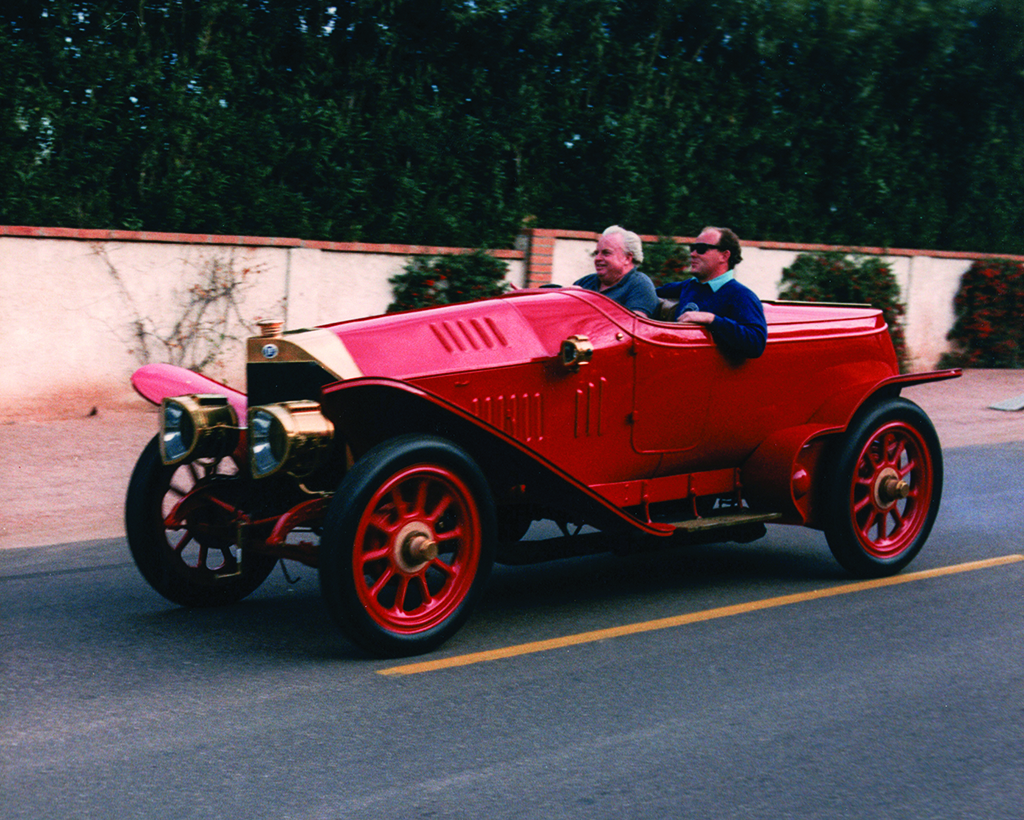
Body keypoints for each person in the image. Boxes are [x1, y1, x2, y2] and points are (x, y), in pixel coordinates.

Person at [656, 226, 767, 358]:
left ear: (724, 256)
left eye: (701, 249)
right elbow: (648, 294)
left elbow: (756, 343)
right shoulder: (689, 285)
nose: (693, 254)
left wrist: (711, 319)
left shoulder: (741, 296)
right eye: (693, 248)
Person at [573, 225, 659, 318]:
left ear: (627, 258)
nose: (597, 258)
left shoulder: (640, 285)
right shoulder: (586, 282)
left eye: (606, 253)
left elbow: (634, 326)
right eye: (596, 253)